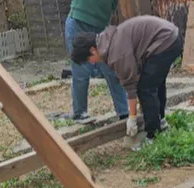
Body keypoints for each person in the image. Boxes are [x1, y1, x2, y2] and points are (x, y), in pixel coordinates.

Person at [70, 15, 182, 145]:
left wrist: (132, 118)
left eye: (88, 60)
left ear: (92, 50)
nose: (92, 63)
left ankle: (153, 135)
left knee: (145, 88)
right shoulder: (107, 40)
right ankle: (160, 121)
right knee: (155, 82)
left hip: (165, 40)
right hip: (171, 35)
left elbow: (131, 86)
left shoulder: (116, 55)